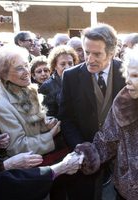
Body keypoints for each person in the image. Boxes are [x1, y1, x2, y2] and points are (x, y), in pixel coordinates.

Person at [58, 23, 126, 200]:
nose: (89, 59)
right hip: (86, 156)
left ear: (111, 53)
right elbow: (66, 118)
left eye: (97, 54)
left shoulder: (128, 73)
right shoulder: (71, 76)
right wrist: (82, 150)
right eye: (86, 52)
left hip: (122, 155)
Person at [74, 45, 138, 200]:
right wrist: (84, 157)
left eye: (135, 75)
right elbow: (106, 140)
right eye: (127, 74)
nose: (127, 81)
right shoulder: (123, 103)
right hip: (127, 190)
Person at [39, 45, 79, 117]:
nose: (67, 67)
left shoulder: (80, 81)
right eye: (62, 64)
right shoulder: (46, 87)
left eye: (70, 63)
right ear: (54, 65)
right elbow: (48, 115)